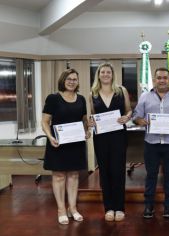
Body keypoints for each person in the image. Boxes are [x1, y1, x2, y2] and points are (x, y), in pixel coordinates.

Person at [132, 67, 169, 219]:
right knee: (151, 174)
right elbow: (136, 115)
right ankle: (148, 206)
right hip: (151, 142)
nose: (162, 80)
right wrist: (140, 120)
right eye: (159, 78)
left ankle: (168, 207)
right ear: (154, 79)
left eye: (165, 78)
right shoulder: (145, 96)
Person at [41, 68, 91, 225]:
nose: (71, 82)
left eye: (74, 79)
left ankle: (73, 209)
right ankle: (61, 210)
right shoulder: (53, 98)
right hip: (58, 143)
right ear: (63, 80)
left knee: (74, 176)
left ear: (78, 82)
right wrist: (50, 137)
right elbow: (44, 121)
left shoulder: (81, 99)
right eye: (69, 79)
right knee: (59, 176)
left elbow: (83, 119)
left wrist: (87, 130)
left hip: (75, 143)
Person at [88, 63, 132, 221]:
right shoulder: (92, 94)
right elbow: (92, 115)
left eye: (108, 72)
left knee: (118, 171)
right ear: (98, 75)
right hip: (101, 137)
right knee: (104, 172)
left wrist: (127, 117)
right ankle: (108, 208)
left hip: (118, 136)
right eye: (102, 72)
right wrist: (90, 122)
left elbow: (129, 110)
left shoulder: (121, 90)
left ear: (112, 74)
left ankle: (119, 208)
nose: (105, 74)